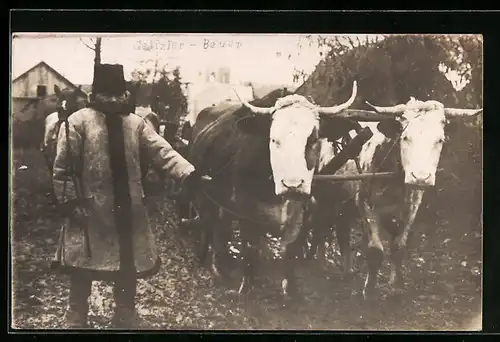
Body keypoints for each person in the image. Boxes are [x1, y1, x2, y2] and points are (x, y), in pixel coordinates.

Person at [50, 64, 208, 329]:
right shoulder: (78, 122)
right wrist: (71, 203)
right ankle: (76, 315)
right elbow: (62, 168)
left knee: (127, 263)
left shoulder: (135, 124)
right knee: (82, 263)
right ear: (96, 94)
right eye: (106, 94)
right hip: (89, 208)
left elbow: (162, 152)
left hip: (128, 208)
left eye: (117, 93)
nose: (113, 99)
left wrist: (189, 173)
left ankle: (125, 314)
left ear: (124, 93)